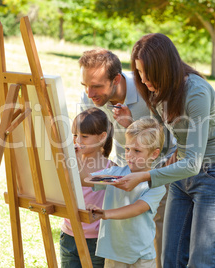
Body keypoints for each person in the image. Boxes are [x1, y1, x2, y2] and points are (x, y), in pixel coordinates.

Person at [114, 33, 215, 267]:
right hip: (180, 174)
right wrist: (131, 123)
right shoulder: (157, 91)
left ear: (165, 68)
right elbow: (162, 140)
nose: (143, 80)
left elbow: (194, 162)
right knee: (170, 259)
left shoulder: (196, 92)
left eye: (147, 73)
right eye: (139, 73)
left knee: (200, 261)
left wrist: (144, 176)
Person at [78, 48, 175, 267]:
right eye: (85, 85)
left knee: (151, 227)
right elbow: (89, 142)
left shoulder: (147, 92)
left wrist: (153, 175)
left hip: (156, 171)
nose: (89, 93)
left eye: (96, 86)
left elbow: (166, 138)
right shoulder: (89, 98)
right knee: (124, 231)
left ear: (116, 80)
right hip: (122, 171)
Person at [82, 118, 166, 268]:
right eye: (127, 149)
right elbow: (86, 179)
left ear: (154, 154)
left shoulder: (156, 184)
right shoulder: (114, 173)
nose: (129, 155)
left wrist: (106, 214)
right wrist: (75, 157)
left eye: (137, 151)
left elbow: (137, 208)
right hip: (114, 254)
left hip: (141, 257)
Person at [60, 108, 116, 268]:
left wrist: (75, 160)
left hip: (96, 240)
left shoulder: (110, 168)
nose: (78, 140)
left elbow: (86, 180)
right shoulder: (70, 163)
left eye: (84, 136)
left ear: (102, 137)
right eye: (75, 135)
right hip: (69, 235)